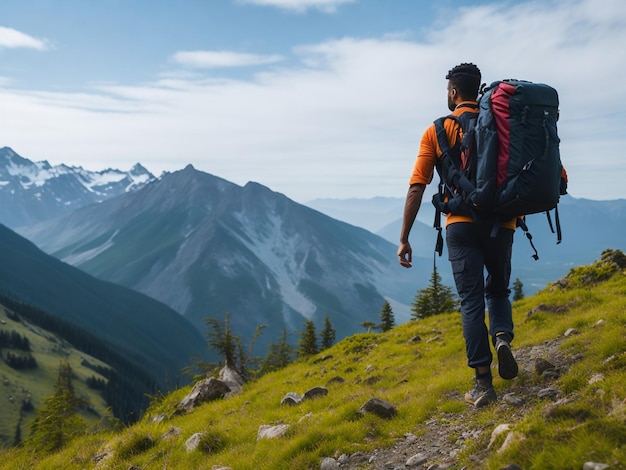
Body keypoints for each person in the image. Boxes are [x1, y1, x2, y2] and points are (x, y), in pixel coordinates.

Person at [397, 63, 518, 408]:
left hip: (460, 225)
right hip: (503, 223)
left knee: (471, 302)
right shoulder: (503, 123)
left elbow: (417, 187)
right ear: (477, 90)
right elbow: (558, 177)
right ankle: (502, 337)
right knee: (498, 289)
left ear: (453, 92)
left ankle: (483, 384)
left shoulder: (437, 130)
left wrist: (405, 237)